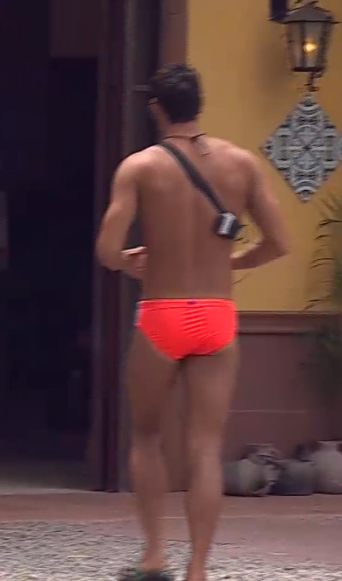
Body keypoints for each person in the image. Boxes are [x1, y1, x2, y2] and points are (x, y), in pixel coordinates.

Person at [94, 64, 289, 581]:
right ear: (200, 103)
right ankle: (198, 568)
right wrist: (232, 262)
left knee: (146, 437)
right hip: (217, 316)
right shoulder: (242, 164)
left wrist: (130, 262)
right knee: (205, 447)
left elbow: (107, 250)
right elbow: (278, 242)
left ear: (155, 108)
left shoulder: (139, 167)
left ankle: (154, 555)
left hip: (163, 312)